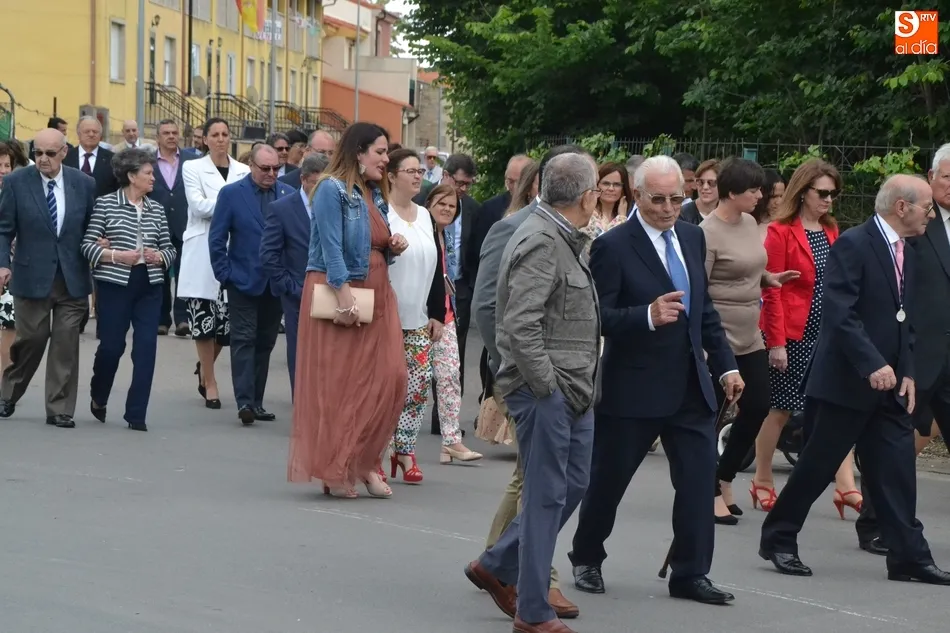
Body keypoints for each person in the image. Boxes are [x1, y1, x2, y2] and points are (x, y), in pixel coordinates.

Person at [759, 174, 950, 585]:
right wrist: (872, 364)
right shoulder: (855, 243)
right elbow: (839, 312)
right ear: (902, 207)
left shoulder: (909, 248)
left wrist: (909, 371)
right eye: (926, 208)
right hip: (845, 384)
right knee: (816, 467)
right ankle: (779, 538)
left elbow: (907, 320)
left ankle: (908, 556)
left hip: (891, 387)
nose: (931, 215)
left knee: (898, 472)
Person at [568, 156, 742, 605]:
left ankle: (690, 573)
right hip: (633, 387)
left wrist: (726, 366)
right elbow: (596, 316)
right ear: (638, 194)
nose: (668, 208)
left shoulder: (692, 236)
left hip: (690, 386)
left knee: (699, 482)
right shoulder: (613, 246)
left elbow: (703, 310)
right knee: (609, 481)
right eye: (658, 199)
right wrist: (645, 315)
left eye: (676, 198)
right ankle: (586, 556)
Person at [464, 153, 601, 633]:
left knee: (573, 482)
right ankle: (533, 610)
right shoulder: (542, 239)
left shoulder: (563, 235)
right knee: (545, 496)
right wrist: (547, 390)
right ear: (588, 196)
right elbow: (520, 326)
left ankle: (496, 561)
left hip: (573, 389)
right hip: (548, 390)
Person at [286, 122, 408, 499]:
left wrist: (391, 245)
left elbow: (370, 241)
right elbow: (331, 246)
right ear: (358, 152)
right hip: (344, 289)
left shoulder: (373, 193)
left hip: (377, 291)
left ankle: (364, 460)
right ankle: (338, 469)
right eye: (380, 152)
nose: (386, 160)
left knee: (391, 378)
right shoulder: (331, 188)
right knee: (343, 386)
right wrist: (343, 294)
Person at [855, 144, 950, 555]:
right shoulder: (913, 219)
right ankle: (875, 523)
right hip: (916, 352)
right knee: (893, 444)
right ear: (931, 177)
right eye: (948, 176)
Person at [699, 158, 800, 523]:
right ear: (731, 193)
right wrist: (705, 344)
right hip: (719, 338)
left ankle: (724, 476)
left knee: (757, 406)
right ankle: (708, 490)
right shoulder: (707, 233)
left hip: (750, 334)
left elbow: (746, 269)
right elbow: (700, 288)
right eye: (754, 190)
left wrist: (768, 279)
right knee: (711, 417)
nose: (761, 196)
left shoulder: (748, 223)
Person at [0, 128, 97, 428]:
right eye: (37, 152)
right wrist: (3, 265)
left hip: (72, 277)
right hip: (31, 275)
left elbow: (92, 226)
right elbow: (3, 230)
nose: (43, 159)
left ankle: (59, 408)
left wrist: (100, 242)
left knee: (66, 343)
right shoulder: (16, 182)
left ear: (64, 152)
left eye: (50, 153)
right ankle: (9, 393)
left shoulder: (84, 183)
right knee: (32, 339)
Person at [81, 148, 176, 431]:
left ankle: (136, 415)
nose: (153, 178)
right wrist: (116, 256)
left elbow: (170, 248)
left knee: (146, 349)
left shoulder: (156, 208)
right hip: (115, 285)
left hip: (150, 286)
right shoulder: (106, 204)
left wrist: (160, 257)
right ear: (132, 176)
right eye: (148, 173)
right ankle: (99, 395)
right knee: (112, 347)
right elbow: (87, 246)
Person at [209, 144, 295, 424]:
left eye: (276, 168)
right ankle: (244, 402)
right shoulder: (232, 194)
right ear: (251, 166)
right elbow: (217, 238)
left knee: (265, 342)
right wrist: (225, 274)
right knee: (243, 339)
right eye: (265, 168)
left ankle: (257, 402)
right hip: (242, 280)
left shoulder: (288, 194)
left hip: (276, 283)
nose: (272, 173)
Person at [179, 118, 251, 409]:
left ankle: (204, 366)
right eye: (215, 134)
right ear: (205, 139)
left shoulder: (244, 170)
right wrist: (233, 208)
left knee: (228, 325)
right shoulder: (192, 168)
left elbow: (247, 206)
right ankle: (210, 381)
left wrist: (228, 208)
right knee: (204, 320)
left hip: (236, 248)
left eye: (225, 134)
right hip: (202, 249)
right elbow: (198, 206)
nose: (221, 139)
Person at [261, 152, 330, 396]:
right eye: (316, 183)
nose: (321, 190)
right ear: (303, 179)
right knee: (301, 354)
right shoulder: (281, 209)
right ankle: (302, 405)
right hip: (298, 294)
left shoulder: (336, 206)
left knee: (329, 356)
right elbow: (268, 255)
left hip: (332, 291)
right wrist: (291, 287)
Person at [151, 119, 197, 337]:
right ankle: (161, 319)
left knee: (184, 273)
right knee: (158, 274)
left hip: (184, 224)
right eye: (166, 133)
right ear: (157, 137)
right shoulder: (147, 162)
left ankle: (183, 318)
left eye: (174, 132)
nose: (171, 136)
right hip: (156, 225)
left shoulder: (192, 161)